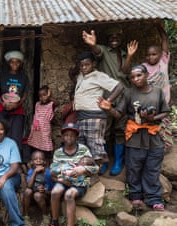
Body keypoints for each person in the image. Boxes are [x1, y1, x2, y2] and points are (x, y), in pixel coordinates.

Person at [98, 65, 170, 211]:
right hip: (134, 137)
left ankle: (154, 198)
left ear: (146, 74)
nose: (135, 79)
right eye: (132, 77)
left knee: (152, 169)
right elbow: (119, 113)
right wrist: (109, 108)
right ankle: (136, 197)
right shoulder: (129, 93)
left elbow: (165, 111)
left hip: (153, 137)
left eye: (139, 75)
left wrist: (152, 118)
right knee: (134, 168)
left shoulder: (157, 92)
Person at [82, 27, 136, 176]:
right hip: (107, 99)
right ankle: (104, 162)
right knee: (104, 132)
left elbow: (125, 72)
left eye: (117, 35)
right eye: (111, 36)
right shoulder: (104, 51)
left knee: (120, 131)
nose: (114, 38)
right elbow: (97, 51)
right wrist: (92, 44)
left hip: (123, 98)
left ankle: (118, 162)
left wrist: (130, 56)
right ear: (106, 39)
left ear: (121, 37)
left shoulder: (125, 53)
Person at [44, 122, 99, 226]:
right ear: (62, 137)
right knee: (56, 191)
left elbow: (95, 168)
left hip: (79, 183)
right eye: (66, 135)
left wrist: (82, 169)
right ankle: (55, 225)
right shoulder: (58, 152)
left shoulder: (83, 150)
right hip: (63, 180)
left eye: (72, 135)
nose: (69, 137)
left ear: (76, 137)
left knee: (69, 195)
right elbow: (53, 170)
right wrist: (61, 177)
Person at [126, 22, 173, 148]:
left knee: (163, 126)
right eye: (148, 54)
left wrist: (157, 25)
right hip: (148, 103)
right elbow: (128, 72)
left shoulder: (163, 61)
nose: (150, 57)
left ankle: (163, 148)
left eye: (154, 54)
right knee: (148, 127)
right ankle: (150, 148)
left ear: (160, 54)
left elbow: (164, 39)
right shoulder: (144, 67)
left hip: (163, 102)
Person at [73, 51, 123, 167]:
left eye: (87, 64)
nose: (84, 67)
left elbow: (119, 86)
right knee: (82, 147)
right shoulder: (81, 76)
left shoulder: (98, 76)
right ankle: (86, 173)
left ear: (93, 64)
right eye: (81, 65)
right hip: (82, 117)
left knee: (95, 148)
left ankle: (96, 174)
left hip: (94, 117)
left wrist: (108, 101)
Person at [0, 50, 30, 150]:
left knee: (16, 137)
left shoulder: (23, 77)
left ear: (20, 63)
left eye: (17, 62)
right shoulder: (2, 75)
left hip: (17, 111)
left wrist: (17, 105)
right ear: (8, 63)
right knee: (1, 135)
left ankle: (14, 161)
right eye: (12, 62)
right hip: (2, 109)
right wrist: (2, 103)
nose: (14, 64)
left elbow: (25, 94)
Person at [23, 150, 54, 226]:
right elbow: (29, 186)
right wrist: (35, 173)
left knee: (37, 195)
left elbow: (53, 191)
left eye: (41, 159)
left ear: (44, 162)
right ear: (32, 162)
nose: (38, 161)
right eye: (35, 159)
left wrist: (44, 191)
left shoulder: (48, 173)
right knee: (27, 191)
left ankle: (46, 216)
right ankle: (26, 217)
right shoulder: (31, 171)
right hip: (32, 196)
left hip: (45, 196)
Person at [26, 85, 57, 163]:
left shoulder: (51, 105)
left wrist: (50, 96)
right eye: (40, 96)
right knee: (35, 144)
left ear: (48, 94)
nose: (42, 97)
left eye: (44, 95)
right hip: (36, 130)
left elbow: (57, 103)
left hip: (45, 129)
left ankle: (46, 162)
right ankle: (35, 161)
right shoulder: (37, 104)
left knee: (45, 145)